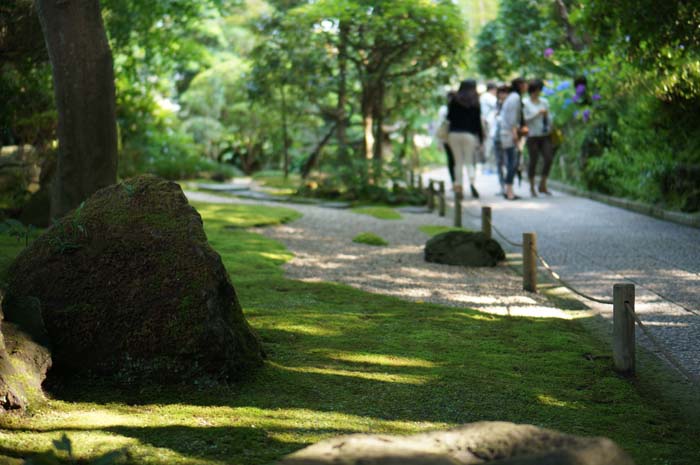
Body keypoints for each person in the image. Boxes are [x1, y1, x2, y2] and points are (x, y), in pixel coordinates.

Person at [447, 79, 484, 199]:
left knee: (458, 162)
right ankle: (472, 184)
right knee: (469, 162)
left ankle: (459, 186)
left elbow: (449, 117)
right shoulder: (475, 101)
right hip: (469, 135)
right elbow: (478, 123)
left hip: (454, 134)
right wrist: (481, 139)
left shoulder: (454, 100)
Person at [498, 77, 528, 200]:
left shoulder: (511, 97)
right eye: (525, 84)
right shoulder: (515, 98)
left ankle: (508, 189)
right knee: (513, 163)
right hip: (510, 134)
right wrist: (515, 135)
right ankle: (509, 190)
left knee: (512, 162)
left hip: (507, 133)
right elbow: (513, 119)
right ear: (521, 85)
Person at [523, 79, 554, 196]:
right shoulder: (525, 103)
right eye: (535, 90)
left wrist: (549, 120)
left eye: (539, 90)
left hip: (544, 134)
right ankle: (532, 187)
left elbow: (549, 117)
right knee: (533, 160)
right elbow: (524, 119)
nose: (537, 93)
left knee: (548, 158)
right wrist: (537, 114)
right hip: (532, 135)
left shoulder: (544, 102)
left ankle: (543, 184)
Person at [492, 84, 510, 195]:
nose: (503, 95)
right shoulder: (497, 105)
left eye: (505, 92)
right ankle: (502, 186)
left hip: (509, 137)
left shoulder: (512, 105)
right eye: (501, 92)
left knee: (509, 163)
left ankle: (508, 186)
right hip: (498, 137)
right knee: (499, 162)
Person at [436, 91, 456, 182]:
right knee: (456, 160)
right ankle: (456, 182)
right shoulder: (445, 110)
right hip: (450, 138)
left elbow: (440, 126)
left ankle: (454, 181)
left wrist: (439, 142)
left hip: (448, 138)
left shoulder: (444, 109)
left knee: (451, 160)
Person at [479, 82, 498, 169]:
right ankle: (489, 166)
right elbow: (497, 105)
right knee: (489, 144)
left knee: (487, 143)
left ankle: (488, 165)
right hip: (488, 123)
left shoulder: (483, 97)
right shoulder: (489, 97)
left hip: (485, 123)